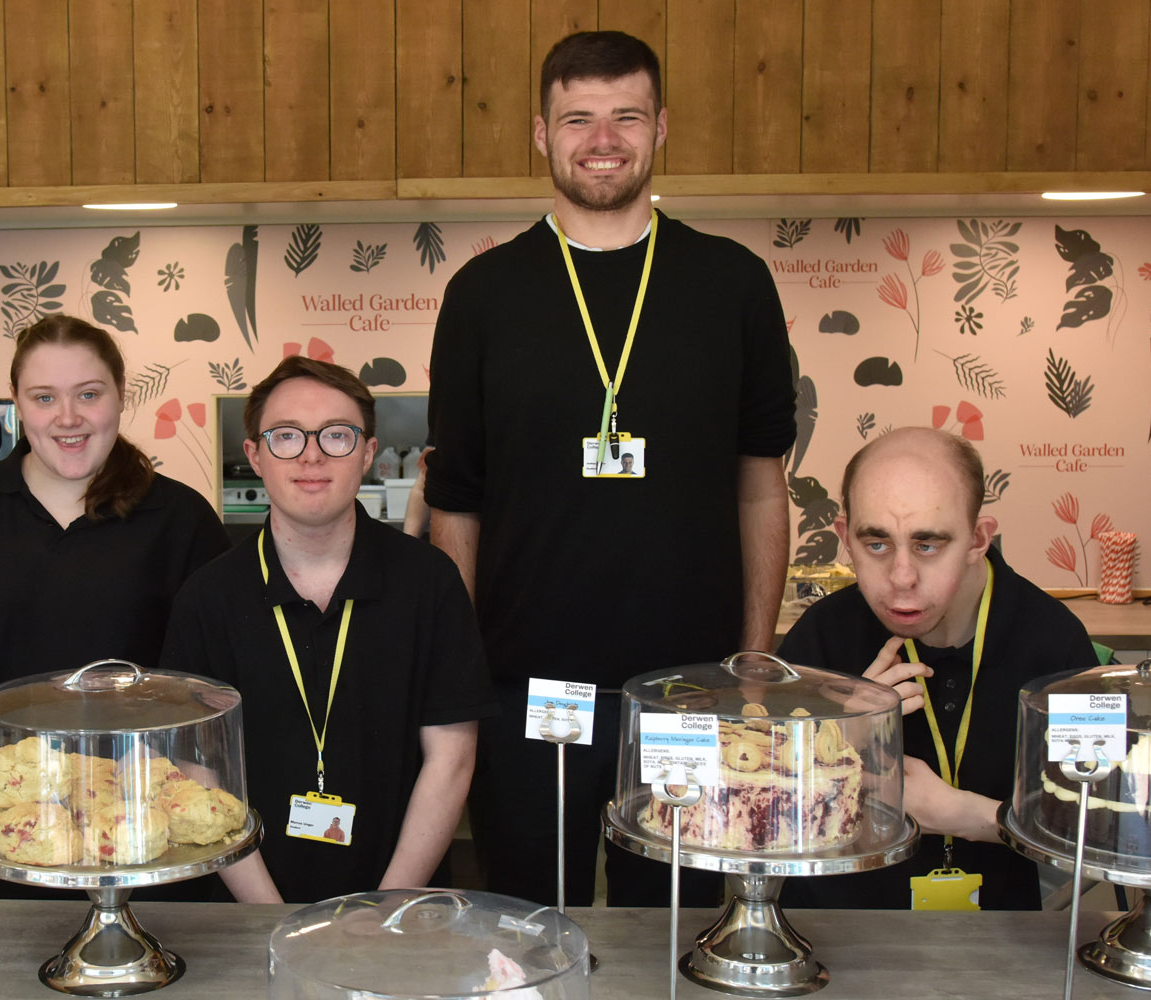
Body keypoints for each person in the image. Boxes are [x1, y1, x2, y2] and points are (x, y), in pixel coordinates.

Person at [426, 29, 795, 907]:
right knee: (522, 919)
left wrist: (751, 661)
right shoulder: (484, 296)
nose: (603, 138)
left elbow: (760, 486)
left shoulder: (732, 284)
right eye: (578, 117)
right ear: (541, 134)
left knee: (672, 924)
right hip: (528, 695)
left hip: (688, 697)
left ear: (661, 126)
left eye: (626, 115)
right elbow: (456, 506)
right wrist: (460, 674)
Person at [0, 314, 230, 898]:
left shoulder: (182, 520)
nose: (67, 418)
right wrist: (4, 819)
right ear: (18, 404)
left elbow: (208, 703)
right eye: (44, 397)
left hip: (143, 853)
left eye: (88, 395)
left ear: (120, 398)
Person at [160, 357, 495, 903]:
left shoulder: (429, 583)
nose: (312, 454)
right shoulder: (208, 597)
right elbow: (196, 769)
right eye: (286, 436)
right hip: (248, 904)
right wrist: (269, 917)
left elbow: (452, 757)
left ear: (366, 453)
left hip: (404, 905)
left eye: (336, 436)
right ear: (255, 455)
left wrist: (386, 910)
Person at [777, 427, 1098, 910]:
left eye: (928, 545)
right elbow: (757, 812)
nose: (901, 578)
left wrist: (972, 816)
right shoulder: (818, 638)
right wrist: (839, 742)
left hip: (998, 940)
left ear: (978, 539)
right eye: (877, 544)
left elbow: (1099, 827)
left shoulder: (1055, 642)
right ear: (845, 537)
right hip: (834, 932)